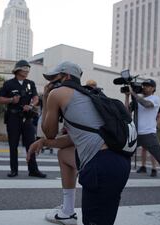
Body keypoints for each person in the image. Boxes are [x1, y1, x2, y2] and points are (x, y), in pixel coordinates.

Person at [28, 61, 130, 225]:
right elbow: (72, 140)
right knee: (64, 155)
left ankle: (68, 212)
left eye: (54, 78)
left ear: (66, 77)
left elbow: (49, 131)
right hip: (120, 165)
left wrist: (46, 97)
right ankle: (67, 212)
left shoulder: (58, 93)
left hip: (99, 168)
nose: (50, 83)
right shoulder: (88, 97)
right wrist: (44, 142)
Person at [125, 79, 160, 191]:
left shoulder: (155, 99)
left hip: (149, 134)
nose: (145, 87)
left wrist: (133, 94)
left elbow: (147, 105)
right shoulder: (137, 99)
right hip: (135, 134)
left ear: (153, 89)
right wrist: (127, 96)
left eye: (148, 86)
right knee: (121, 153)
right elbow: (126, 112)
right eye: (144, 85)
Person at [0, 60, 46, 178]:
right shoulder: (9, 84)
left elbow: (35, 98)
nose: (27, 71)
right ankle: (14, 170)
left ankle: (33, 170)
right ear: (18, 70)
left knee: (31, 144)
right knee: (13, 145)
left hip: (27, 118)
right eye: (25, 69)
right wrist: (11, 100)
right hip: (13, 117)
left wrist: (31, 105)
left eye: (28, 69)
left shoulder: (30, 83)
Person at [136, 108, 160, 177]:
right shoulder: (142, 104)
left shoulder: (153, 103)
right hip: (144, 130)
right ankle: (143, 166)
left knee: (152, 150)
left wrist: (156, 125)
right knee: (144, 149)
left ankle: (154, 169)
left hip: (151, 130)